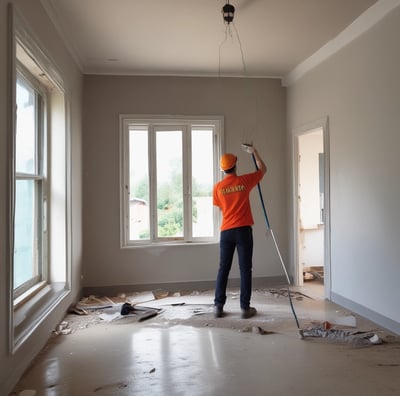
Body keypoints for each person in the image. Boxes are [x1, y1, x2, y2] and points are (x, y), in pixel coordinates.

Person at [213, 145, 267, 319]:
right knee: (245, 269)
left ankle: (218, 307)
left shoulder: (218, 188)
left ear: (223, 169)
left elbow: (220, 207)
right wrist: (255, 152)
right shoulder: (244, 182)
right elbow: (262, 169)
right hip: (243, 230)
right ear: (235, 166)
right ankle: (245, 309)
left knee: (223, 269)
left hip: (226, 232)